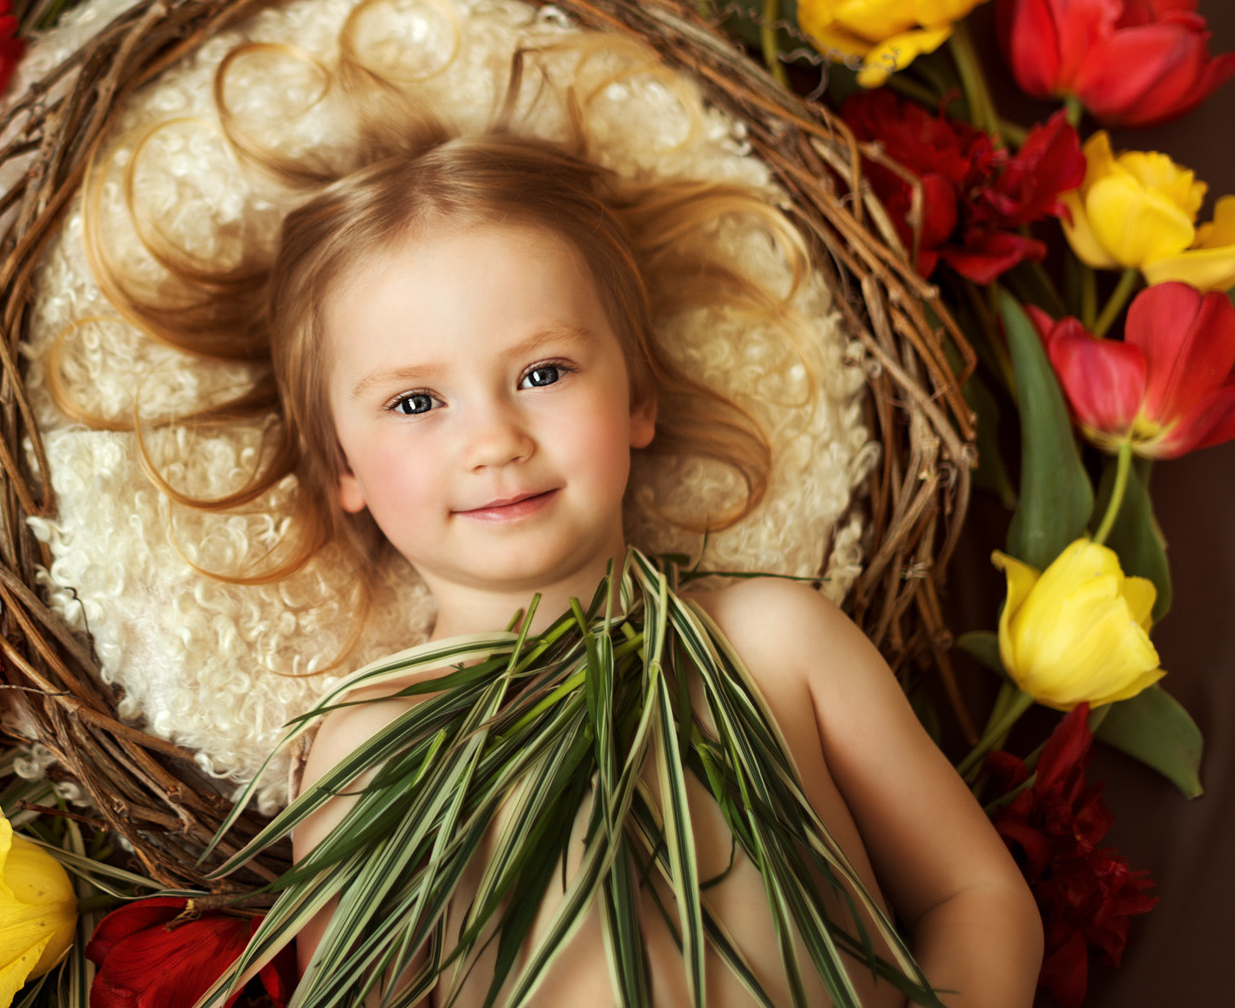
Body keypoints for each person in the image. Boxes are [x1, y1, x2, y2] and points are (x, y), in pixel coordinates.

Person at [267, 135, 1042, 1006]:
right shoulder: (374, 745)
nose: (493, 441)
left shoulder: (773, 642)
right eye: (416, 402)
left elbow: (973, 894)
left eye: (542, 371)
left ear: (638, 395)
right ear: (341, 467)